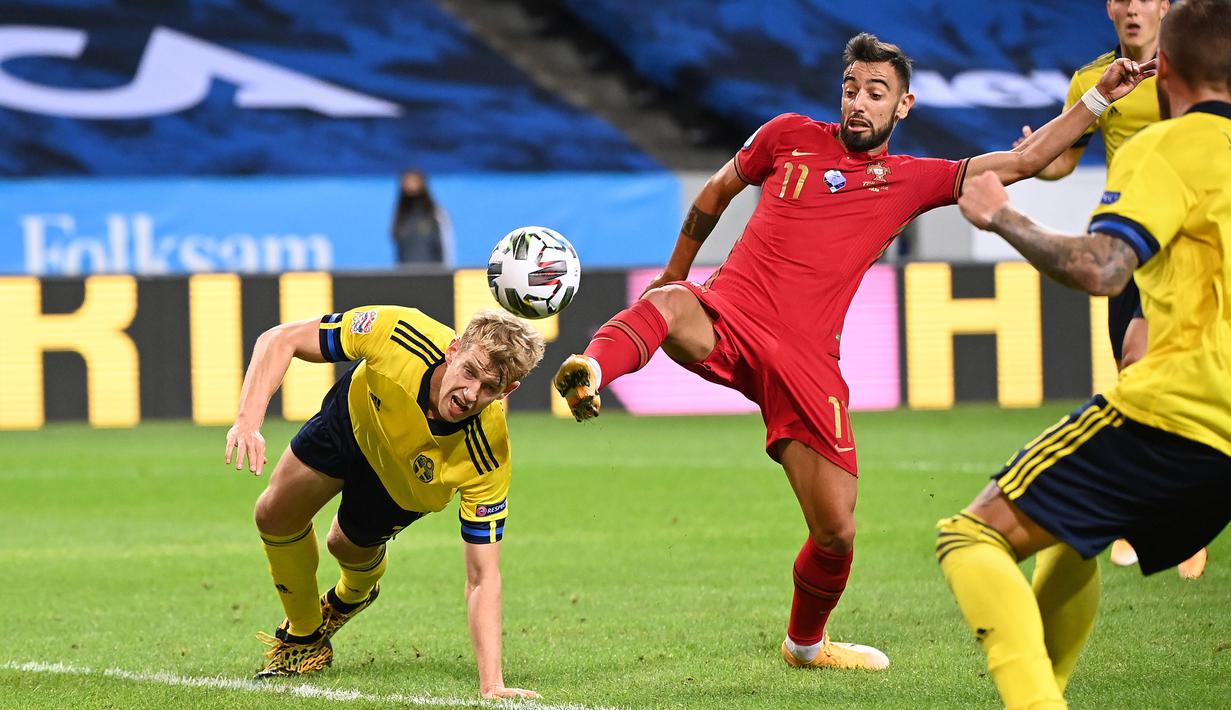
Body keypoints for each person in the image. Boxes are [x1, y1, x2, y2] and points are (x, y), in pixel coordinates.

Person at [551, 32, 1154, 670]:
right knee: (670, 304)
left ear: (904, 105)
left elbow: (1025, 160)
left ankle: (806, 645)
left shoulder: (912, 179)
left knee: (837, 531)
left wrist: (1097, 98)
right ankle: (591, 368)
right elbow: (716, 193)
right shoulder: (786, 135)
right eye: (851, 89)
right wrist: (676, 272)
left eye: (876, 92)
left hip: (808, 364)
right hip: (730, 317)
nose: (859, 102)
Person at [938, 1, 1231, 706]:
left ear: (1167, 72)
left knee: (969, 537)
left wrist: (999, 215)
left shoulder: (1168, 145)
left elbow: (1102, 269)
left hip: (1184, 410)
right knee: (1073, 533)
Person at [224, 306, 544, 699]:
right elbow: (280, 339)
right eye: (469, 371)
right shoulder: (397, 332)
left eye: (490, 388)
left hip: (402, 485)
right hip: (354, 419)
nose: (470, 394)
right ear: (453, 350)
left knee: (342, 545)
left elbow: (483, 576)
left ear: (507, 391)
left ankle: (353, 593)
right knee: (273, 514)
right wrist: (248, 420)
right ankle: (304, 639)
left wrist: (492, 684)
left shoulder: (487, 453)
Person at [1018, 0, 1206, 577]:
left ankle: (1182, 517)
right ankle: (1152, 511)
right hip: (1129, 241)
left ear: (1165, 7)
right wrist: (1039, 154)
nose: (1133, 8)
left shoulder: (1195, 69)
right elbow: (1063, 163)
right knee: (1131, 371)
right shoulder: (1094, 80)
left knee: (1151, 363)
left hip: (1189, 239)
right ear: (1109, 8)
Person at [392, 170, 452, 265]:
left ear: (422, 183)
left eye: (414, 180)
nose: (410, 184)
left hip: (433, 272)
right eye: (407, 181)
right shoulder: (401, 217)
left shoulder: (436, 214)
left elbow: (445, 248)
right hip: (406, 273)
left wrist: (445, 272)